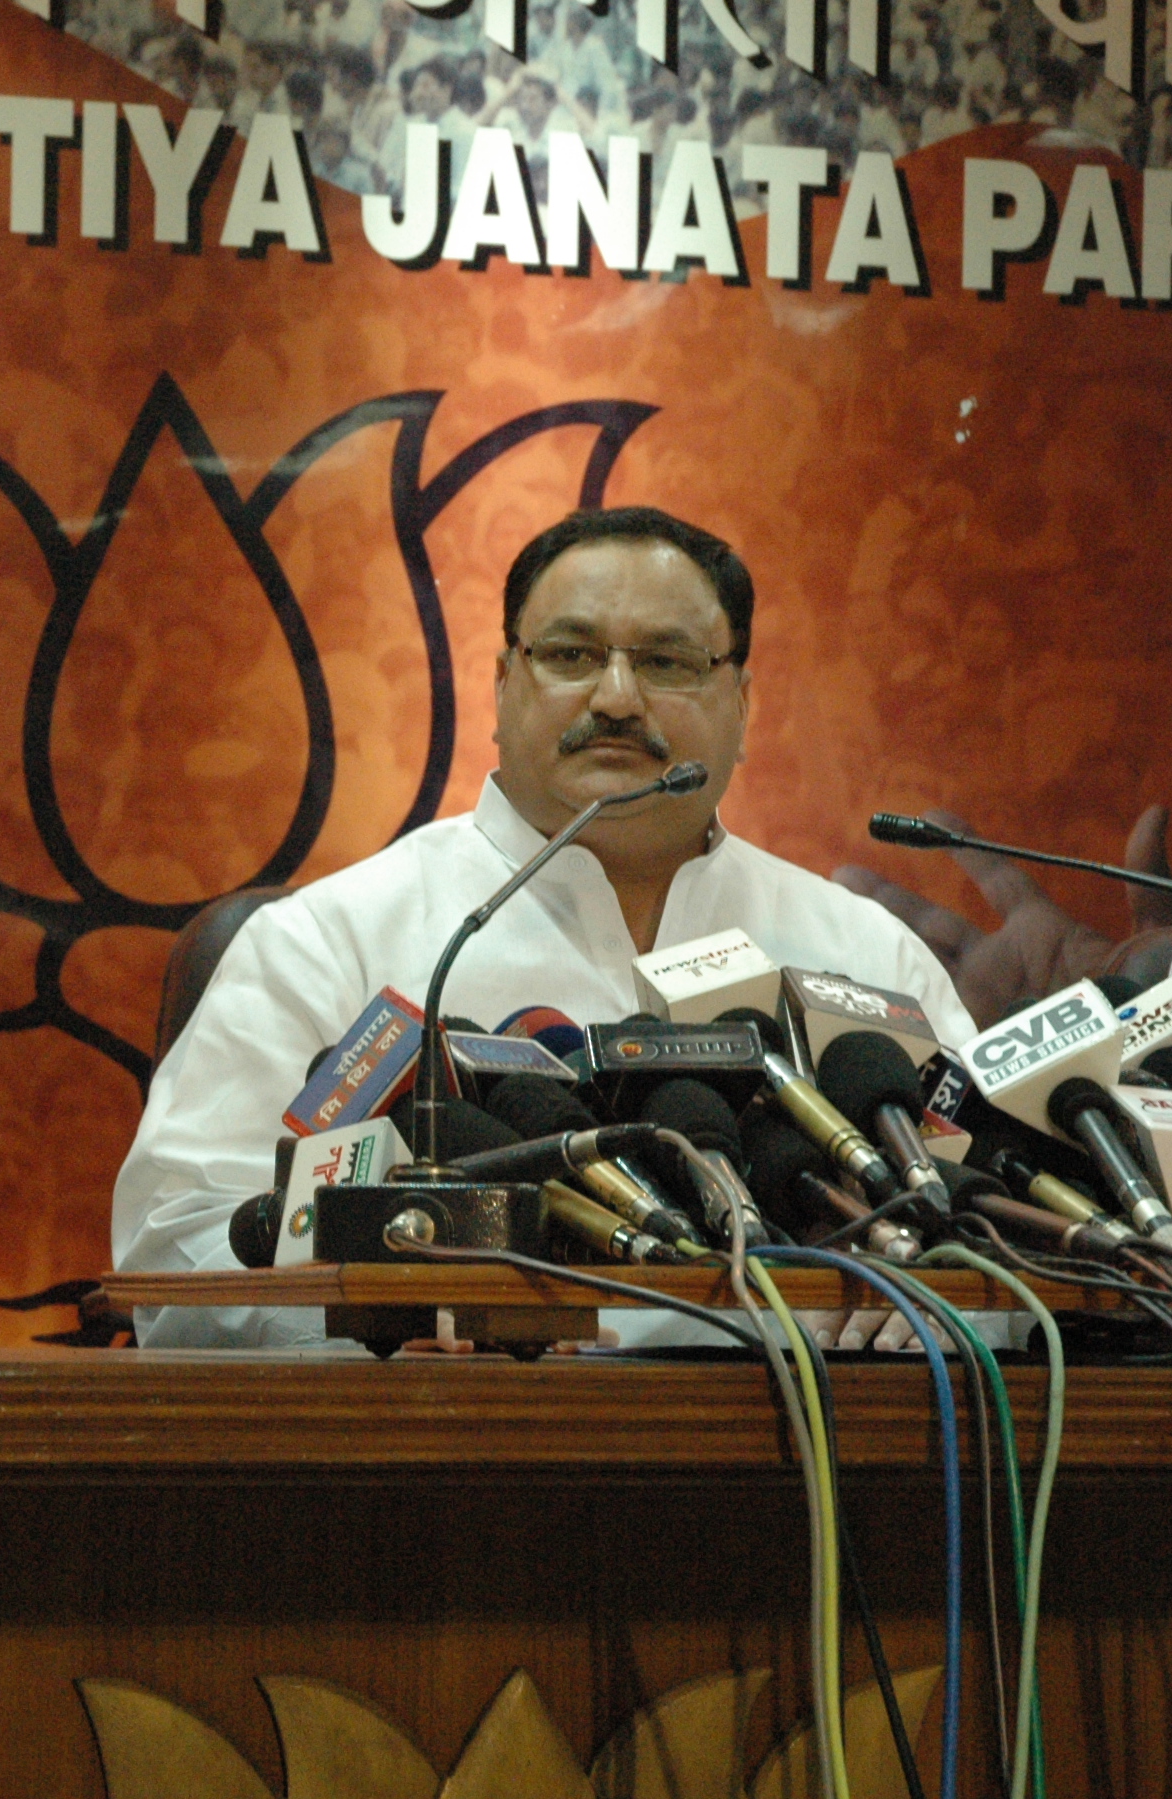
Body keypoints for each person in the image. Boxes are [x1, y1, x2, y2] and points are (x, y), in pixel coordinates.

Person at [110, 506, 974, 1348]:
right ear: (500, 685)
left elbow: (1024, 1230)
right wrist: (390, 1318)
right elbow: (176, 1245)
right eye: (571, 654)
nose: (618, 697)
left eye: (669, 662)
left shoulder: (863, 954)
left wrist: (941, 1299)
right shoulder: (328, 945)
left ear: (743, 703)